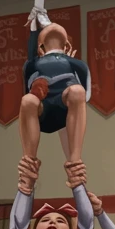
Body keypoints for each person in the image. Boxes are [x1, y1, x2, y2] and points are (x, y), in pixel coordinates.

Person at [20, 21, 89, 181]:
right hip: (43, 111)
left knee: (78, 91)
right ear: (40, 48)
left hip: (64, 107)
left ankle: (75, 162)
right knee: (28, 100)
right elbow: (26, 90)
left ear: (67, 46)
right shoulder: (32, 64)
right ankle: (29, 164)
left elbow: (85, 94)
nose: (53, 26)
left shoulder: (77, 64)